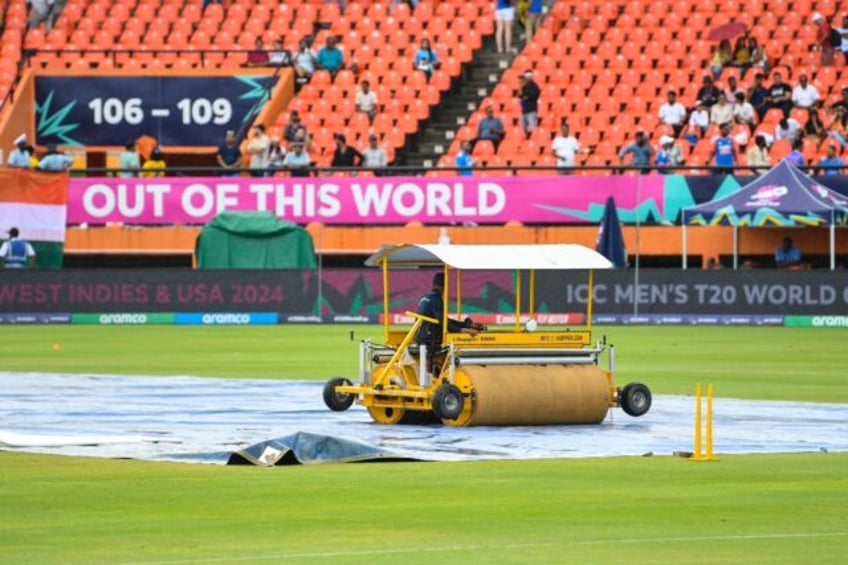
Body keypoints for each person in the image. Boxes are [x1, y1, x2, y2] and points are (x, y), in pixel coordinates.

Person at [414, 272, 485, 364]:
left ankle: (435, 370)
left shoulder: (425, 297)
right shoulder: (436, 299)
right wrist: (466, 331)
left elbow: (444, 320)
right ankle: (436, 371)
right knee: (448, 348)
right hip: (429, 340)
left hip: (421, 336)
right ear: (444, 286)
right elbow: (444, 323)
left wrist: (467, 325)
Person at [518, 70, 540, 138]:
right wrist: (520, 86)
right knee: (523, 127)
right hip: (524, 111)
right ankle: (526, 139)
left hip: (531, 110)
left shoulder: (535, 86)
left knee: (532, 128)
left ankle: (532, 141)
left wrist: (526, 96)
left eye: (528, 76)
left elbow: (534, 96)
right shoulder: (524, 86)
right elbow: (520, 95)